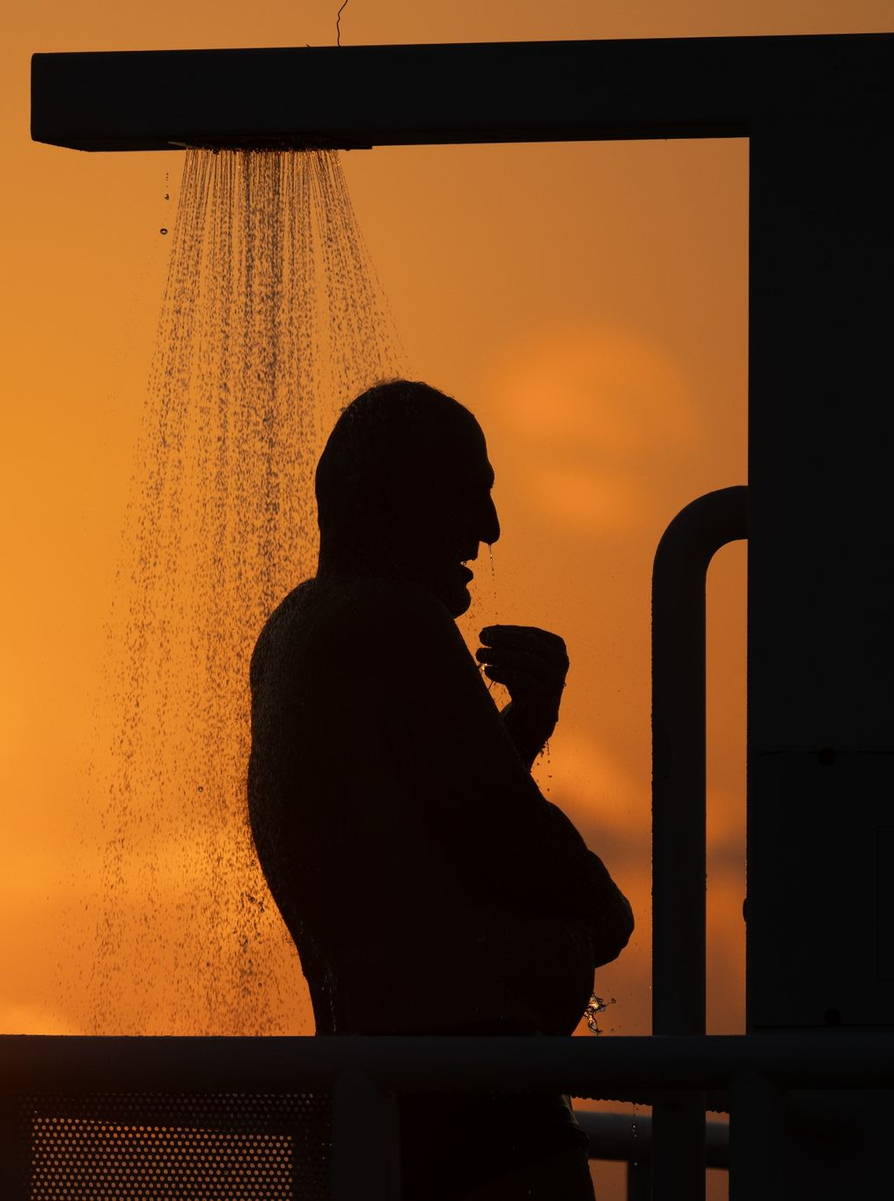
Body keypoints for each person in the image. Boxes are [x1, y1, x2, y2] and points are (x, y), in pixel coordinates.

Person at [247, 379, 634, 1199]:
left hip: (366, 1101)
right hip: (470, 1110)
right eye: (470, 497)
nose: (488, 530)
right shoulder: (396, 620)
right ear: (398, 500)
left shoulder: (294, 628)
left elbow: (417, 832)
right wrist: (605, 911)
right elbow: (511, 840)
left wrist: (523, 728)